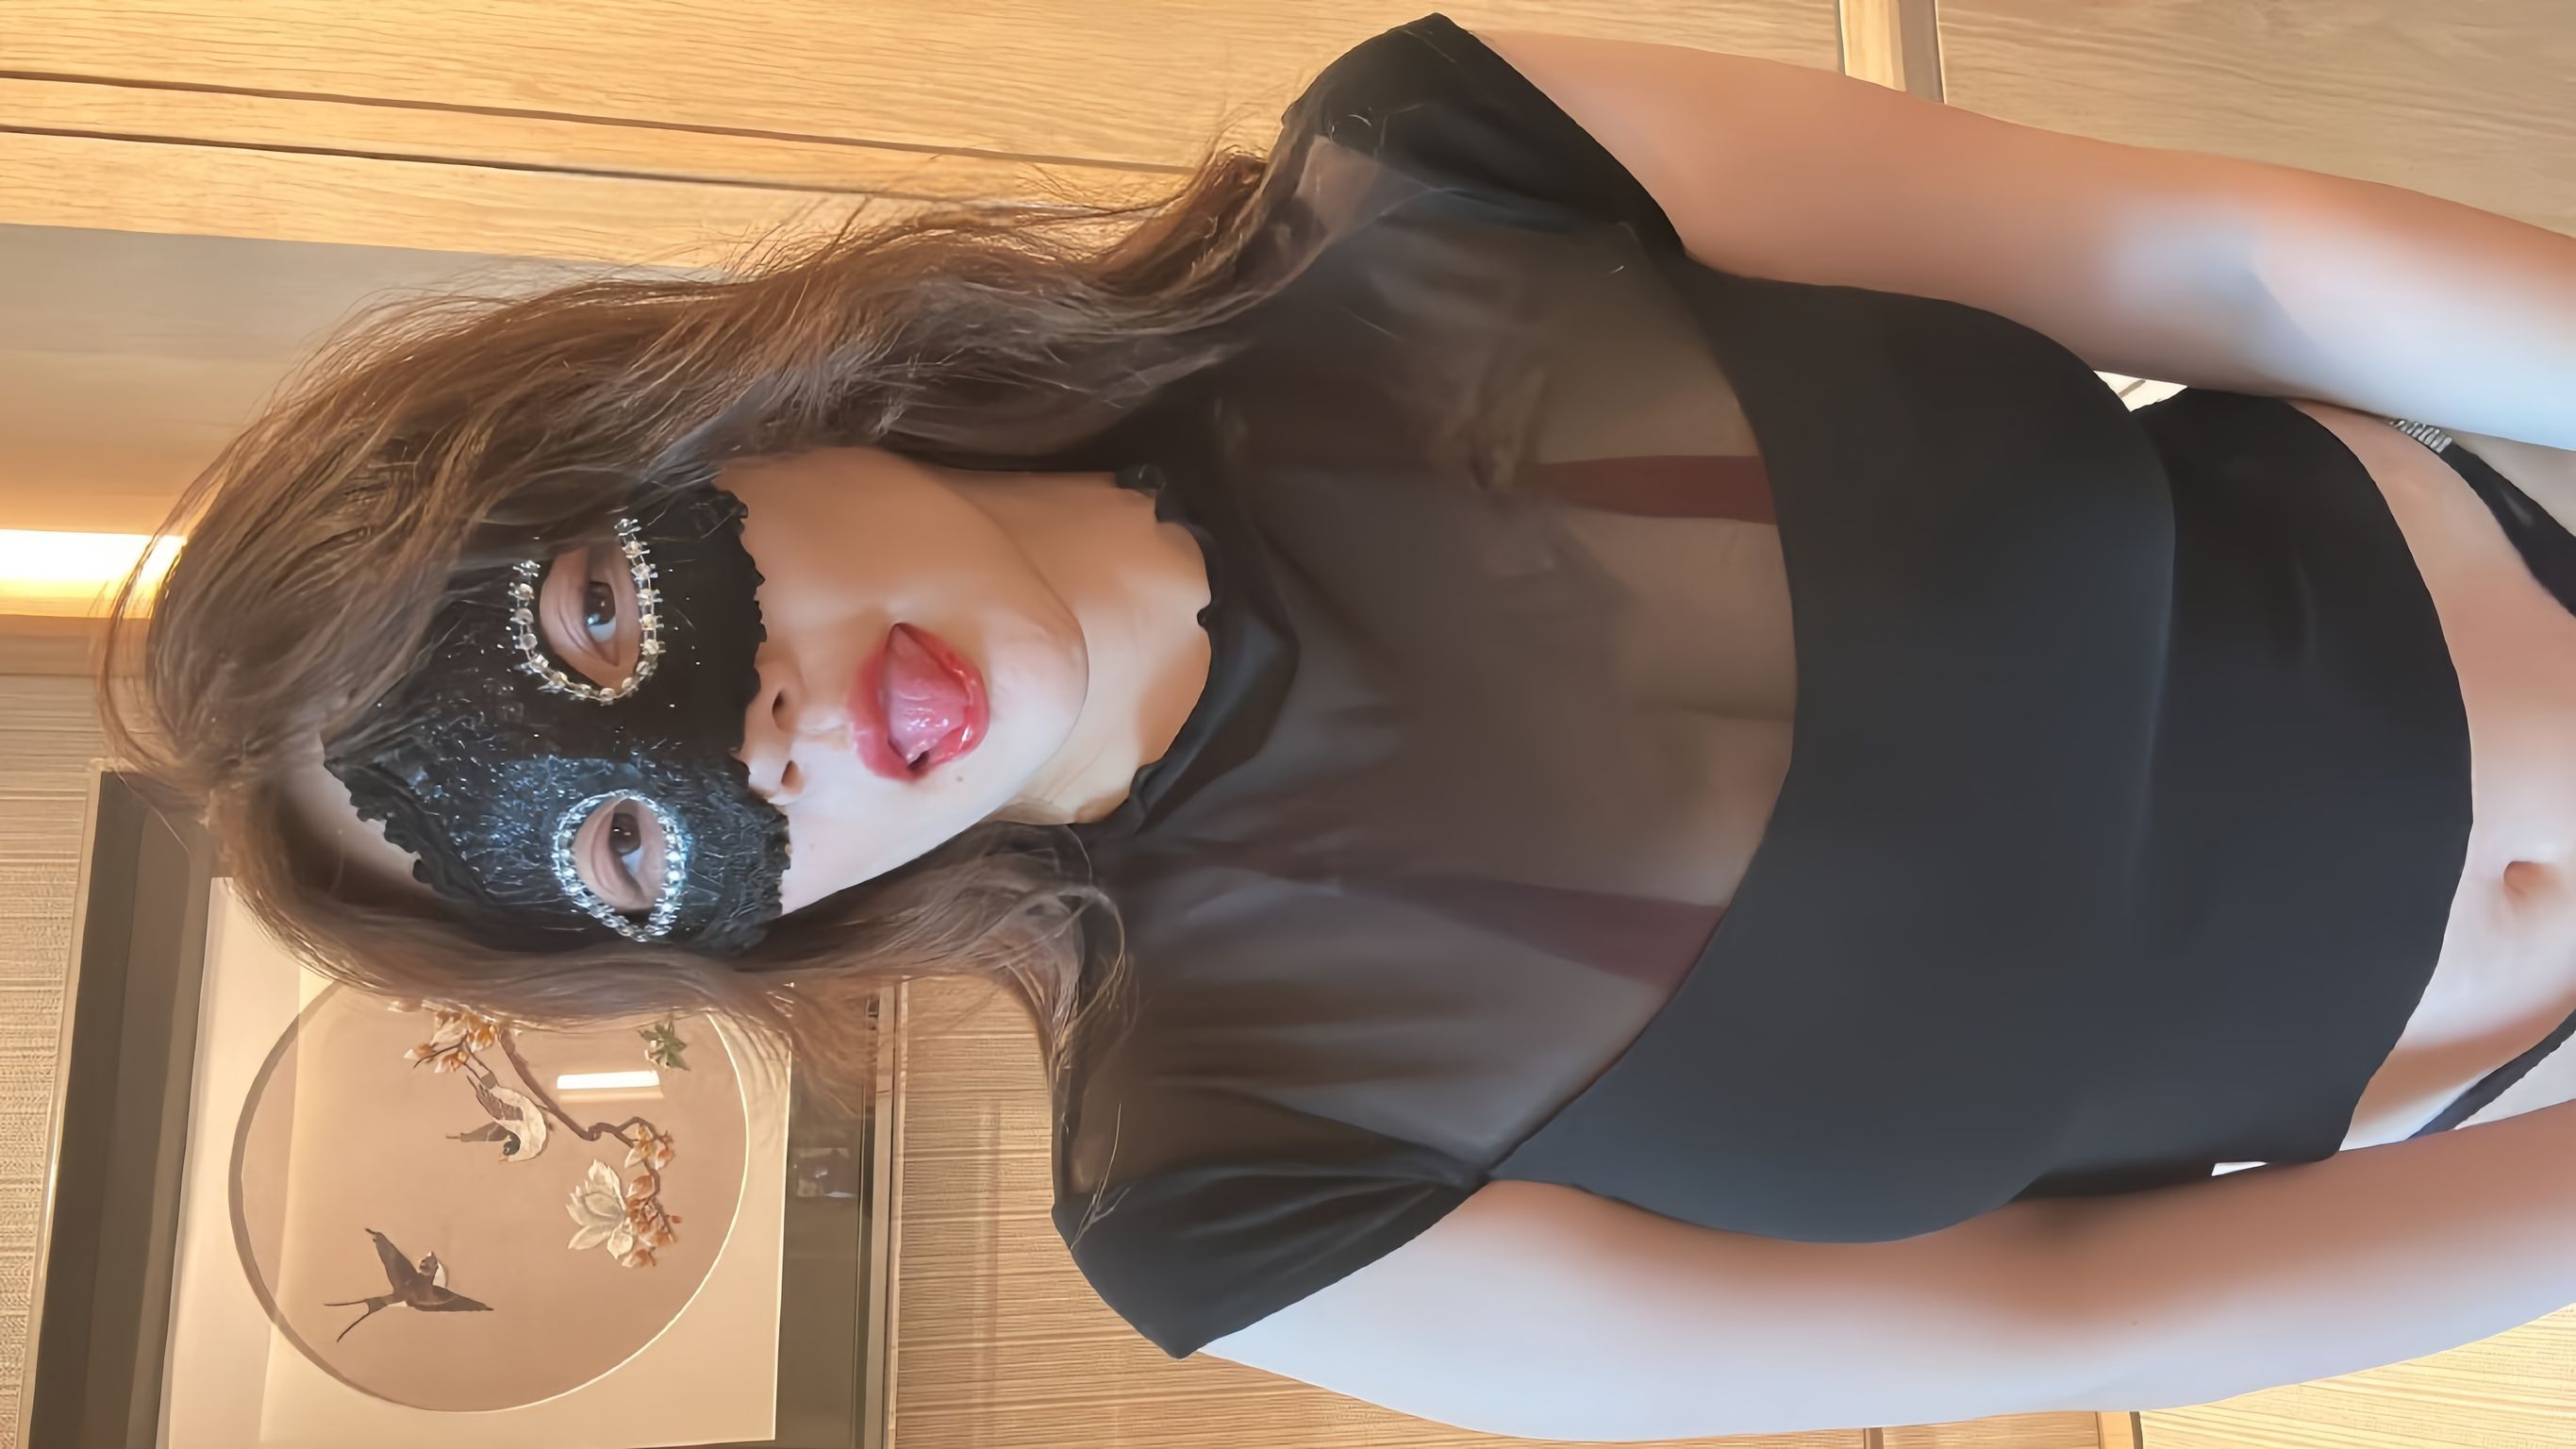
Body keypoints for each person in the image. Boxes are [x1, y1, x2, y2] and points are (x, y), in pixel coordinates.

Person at [107, 12, 2576, 1439]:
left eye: (592, 614)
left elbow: (2216, 259)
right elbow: (2078, 1315)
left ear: (685, 418)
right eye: (631, 852)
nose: (756, 741)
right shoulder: (1238, 1205)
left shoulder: (1437, 165)